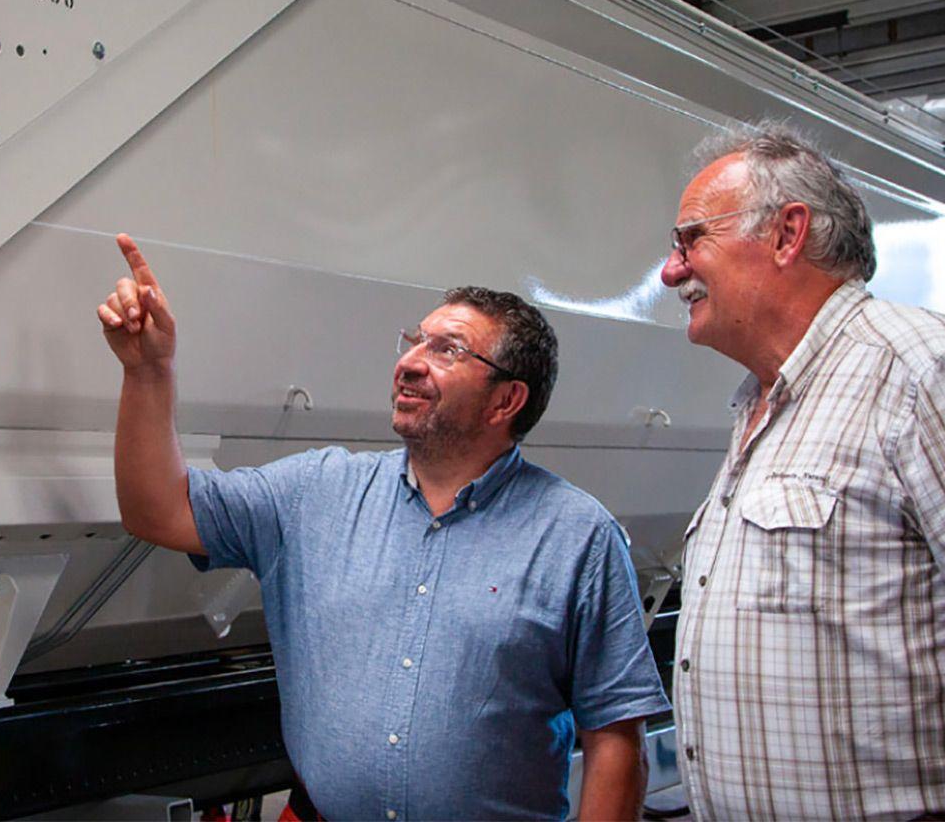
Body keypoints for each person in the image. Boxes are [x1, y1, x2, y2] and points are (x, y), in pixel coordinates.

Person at [98, 234, 669, 821]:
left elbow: (615, 741)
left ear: (506, 401)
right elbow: (158, 510)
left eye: (447, 350)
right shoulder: (314, 494)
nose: (410, 362)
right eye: (414, 340)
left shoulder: (576, 537)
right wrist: (148, 372)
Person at [659, 122, 945, 821]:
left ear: (786, 234)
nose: (671, 270)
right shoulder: (761, 403)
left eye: (691, 240)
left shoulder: (925, 370)